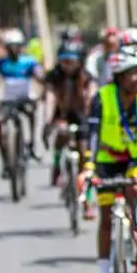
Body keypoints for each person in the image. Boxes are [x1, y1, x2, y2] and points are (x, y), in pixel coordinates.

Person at [83, 48, 137, 273]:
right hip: (106, 160)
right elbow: (92, 136)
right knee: (105, 218)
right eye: (133, 73)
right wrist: (88, 168)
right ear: (118, 76)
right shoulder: (102, 98)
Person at [0, 29, 43, 177]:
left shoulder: (29, 62)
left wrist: (42, 91)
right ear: (6, 48)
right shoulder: (1, 64)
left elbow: (40, 77)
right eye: (10, 46)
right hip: (7, 101)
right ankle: (6, 161)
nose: (13, 50)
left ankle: (32, 144)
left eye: (16, 46)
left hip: (25, 98)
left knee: (31, 111)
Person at [44, 41, 94, 188]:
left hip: (81, 115)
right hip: (61, 113)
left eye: (71, 62)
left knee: (84, 148)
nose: (67, 66)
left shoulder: (86, 76)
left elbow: (92, 95)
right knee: (62, 134)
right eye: (64, 62)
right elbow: (50, 97)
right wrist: (48, 120)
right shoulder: (54, 76)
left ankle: (82, 178)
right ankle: (57, 165)